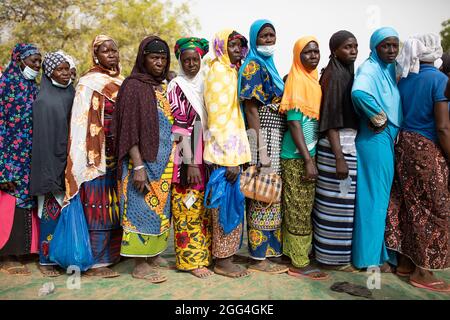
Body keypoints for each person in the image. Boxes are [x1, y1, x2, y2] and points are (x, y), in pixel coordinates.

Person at [386, 34, 450, 293]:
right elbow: (443, 127)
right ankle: (423, 271)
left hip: (404, 146)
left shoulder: (404, 80)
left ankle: (404, 261)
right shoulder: (440, 80)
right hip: (427, 149)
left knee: (407, 203)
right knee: (435, 209)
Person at [114, 36, 173, 284]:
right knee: (139, 209)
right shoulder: (133, 86)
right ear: (143, 58)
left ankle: (152, 254)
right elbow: (128, 130)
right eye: (154, 58)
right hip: (141, 163)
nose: (159, 62)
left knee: (160, 210)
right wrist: (138, 165)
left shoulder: (163, 86)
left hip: (163, 162)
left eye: (163, 58)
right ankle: (139, 264)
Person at [64, 35, 124, 278]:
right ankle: (95, 264)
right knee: (97, 207)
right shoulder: (88, 83)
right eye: (105, 51)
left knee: (115, 206)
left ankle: (112, 256)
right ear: (96, 56)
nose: (111, 54)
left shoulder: (122, 81)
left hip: (119, 154)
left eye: (114, 50)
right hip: (95, 157)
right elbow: (79, 122)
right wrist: (83, 157)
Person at [238, 19, 288, 274]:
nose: (269, 40)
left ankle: (270, 250)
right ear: (255, 38)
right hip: (262, 135)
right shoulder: (253, 66)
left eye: (272, 35)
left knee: (272, 193)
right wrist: (260, 151)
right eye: (264, 36)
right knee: (261, 192)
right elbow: (251, 110)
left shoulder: (270, 66)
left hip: (274, 134)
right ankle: (259, 257)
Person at [351, 27, 402, 271]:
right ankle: (368, 258)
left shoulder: (388, 69)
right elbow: (359, 92)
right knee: (374, 199)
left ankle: (376, 253)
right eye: (386, 46)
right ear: (375, 47)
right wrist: (378, 117)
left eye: (395, 45)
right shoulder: (370, 68)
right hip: (375, 140)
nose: (391, 50)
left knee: (379, 198)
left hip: (383, 140)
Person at [203, 29, 252, 278]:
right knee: (225, 208)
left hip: (232, 155)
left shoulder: (230, 71)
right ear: (221, 46)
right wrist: (231, 160)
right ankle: (223, 261)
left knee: (231, 206)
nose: (236, 49)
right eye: (231, 44)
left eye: (239, 45)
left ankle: (227, 256)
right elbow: (219, 120)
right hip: (225, 156)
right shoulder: (219, 73)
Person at [280, 36, 329, 280]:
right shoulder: (297, 82)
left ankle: (291, 253)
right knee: (299, 209)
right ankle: (299, 262)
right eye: (307, 52)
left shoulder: (314, 82)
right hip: (297, 157)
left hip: (309, 155)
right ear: (298, 56)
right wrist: (309, 160)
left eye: (316, 51)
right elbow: (294, 124)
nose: (313, 56)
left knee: (301, 207)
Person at [312, 31, 359, 271]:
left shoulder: (346, 73)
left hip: (345, 146)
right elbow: (330, 120)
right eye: (347, 47)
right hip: (336, 148)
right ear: (334, 51)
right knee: (335, 208)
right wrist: (340, 158)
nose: (353, 51)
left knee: (341, 208)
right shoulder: (334, 76)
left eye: (355, 47)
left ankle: (335, 256)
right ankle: (330, 259)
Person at [167, 37, 214, 279]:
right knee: (187, 206)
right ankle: (190, 261)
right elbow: (180, 125)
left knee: (202, 208)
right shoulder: (177, 85)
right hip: (188, 151)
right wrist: (190, 161)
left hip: (205, 148)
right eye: (186, 60)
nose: (192, 64)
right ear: (180, 61)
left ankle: (203, 255)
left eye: (195, 59)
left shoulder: (206, 83)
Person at [30, 52, 75, 277]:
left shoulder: (71, 94)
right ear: (49, 72)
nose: (65, 73)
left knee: (67, 215)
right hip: (50, 167)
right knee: (50, 214)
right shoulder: (44, 101)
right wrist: (53, 173)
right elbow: (43, 142)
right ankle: (46, 261)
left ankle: (64, 257)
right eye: (60, 69)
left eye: (68, 69)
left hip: (69, 164)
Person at [0, 43, 42, 276]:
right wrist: (2, 169)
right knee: (9, 203)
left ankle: (25, 251)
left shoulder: (33, 87)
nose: (37, 66)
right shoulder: (5, 86)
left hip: (29, 157)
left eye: (39, 62)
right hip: (8, 158)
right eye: (33, 61)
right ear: (19, 60)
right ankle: (7, 255)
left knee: (27, 203)